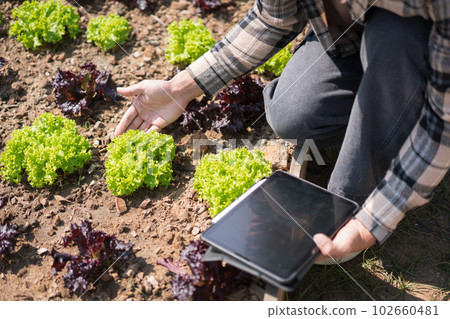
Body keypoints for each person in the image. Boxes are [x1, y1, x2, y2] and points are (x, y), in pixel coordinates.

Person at [114, 0, 449, 263]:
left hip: (419, 45)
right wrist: (181, 88)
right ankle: (389, 97)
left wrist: (372, 221)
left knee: (392, 38)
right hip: (348, 38)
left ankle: (351, 204)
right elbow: (272, 18)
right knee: (293, 112)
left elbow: (444, 122)